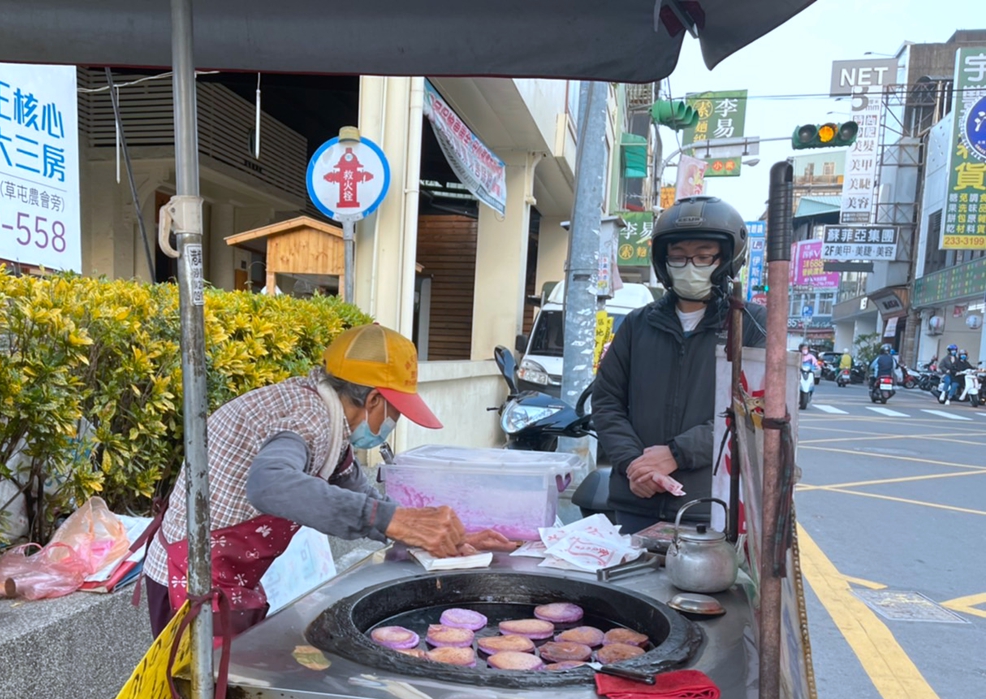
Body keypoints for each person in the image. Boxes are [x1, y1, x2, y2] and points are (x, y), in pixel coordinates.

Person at [140, 323, 516, 637]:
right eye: (395, 413)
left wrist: (451, 536)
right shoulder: (308, 416)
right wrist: (390, 520)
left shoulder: (332, 429)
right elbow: (270, 485)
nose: (392, 425)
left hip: (231, 576)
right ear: (372, 401)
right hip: (190, 578)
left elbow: (363, 497)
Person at [592, 196, 767, 535]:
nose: (690, 266)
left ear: (729, 258)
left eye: (703, 256)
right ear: (663, 261)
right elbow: (607, 401)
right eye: (678, 256)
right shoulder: (637, 324)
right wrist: (634, 466)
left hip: (710, 506)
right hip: (635, 500)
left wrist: (676, 454)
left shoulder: (750, 325)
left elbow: (753, 411)